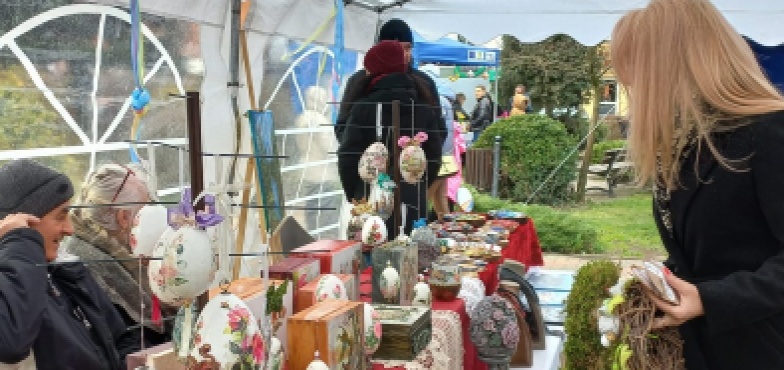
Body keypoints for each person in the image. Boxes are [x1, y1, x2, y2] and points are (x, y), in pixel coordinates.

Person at [612, 0, 784, 369]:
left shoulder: (769, 133)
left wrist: (711, 298)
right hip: (701, 350)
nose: (635, 94)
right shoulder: (690, 143)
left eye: (637, 80)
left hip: (760, 349)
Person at [0, 159, 136, 369]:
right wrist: (21, 241)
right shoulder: (14, 291)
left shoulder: (68, 269)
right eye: (60, 216)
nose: (70, 229)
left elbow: (118, 340)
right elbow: (11, 341)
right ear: (23, 222)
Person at [338, 40, 442, 236]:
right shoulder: (423, 107)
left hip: (370, 199)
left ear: (377, 69)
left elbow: (348, 156)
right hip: (412, 201)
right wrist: (417, 184)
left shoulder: (363, 107)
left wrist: (355, 194)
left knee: (371, 256)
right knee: (412, 255)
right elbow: (434, 157)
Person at [63, 163, 173, 349]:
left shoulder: (94, 243)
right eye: (145, 211)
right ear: (123, 218)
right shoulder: (88, 267)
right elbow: (130, 341)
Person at [336, 18, 445, 148]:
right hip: (369, 165)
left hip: (413, 164)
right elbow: (342, 127)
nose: (404, 54)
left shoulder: (425, 82)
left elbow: (439, 129)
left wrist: (420, 156)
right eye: (397, 48)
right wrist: (365, 155)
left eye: (408, 48)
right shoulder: (359, 81)